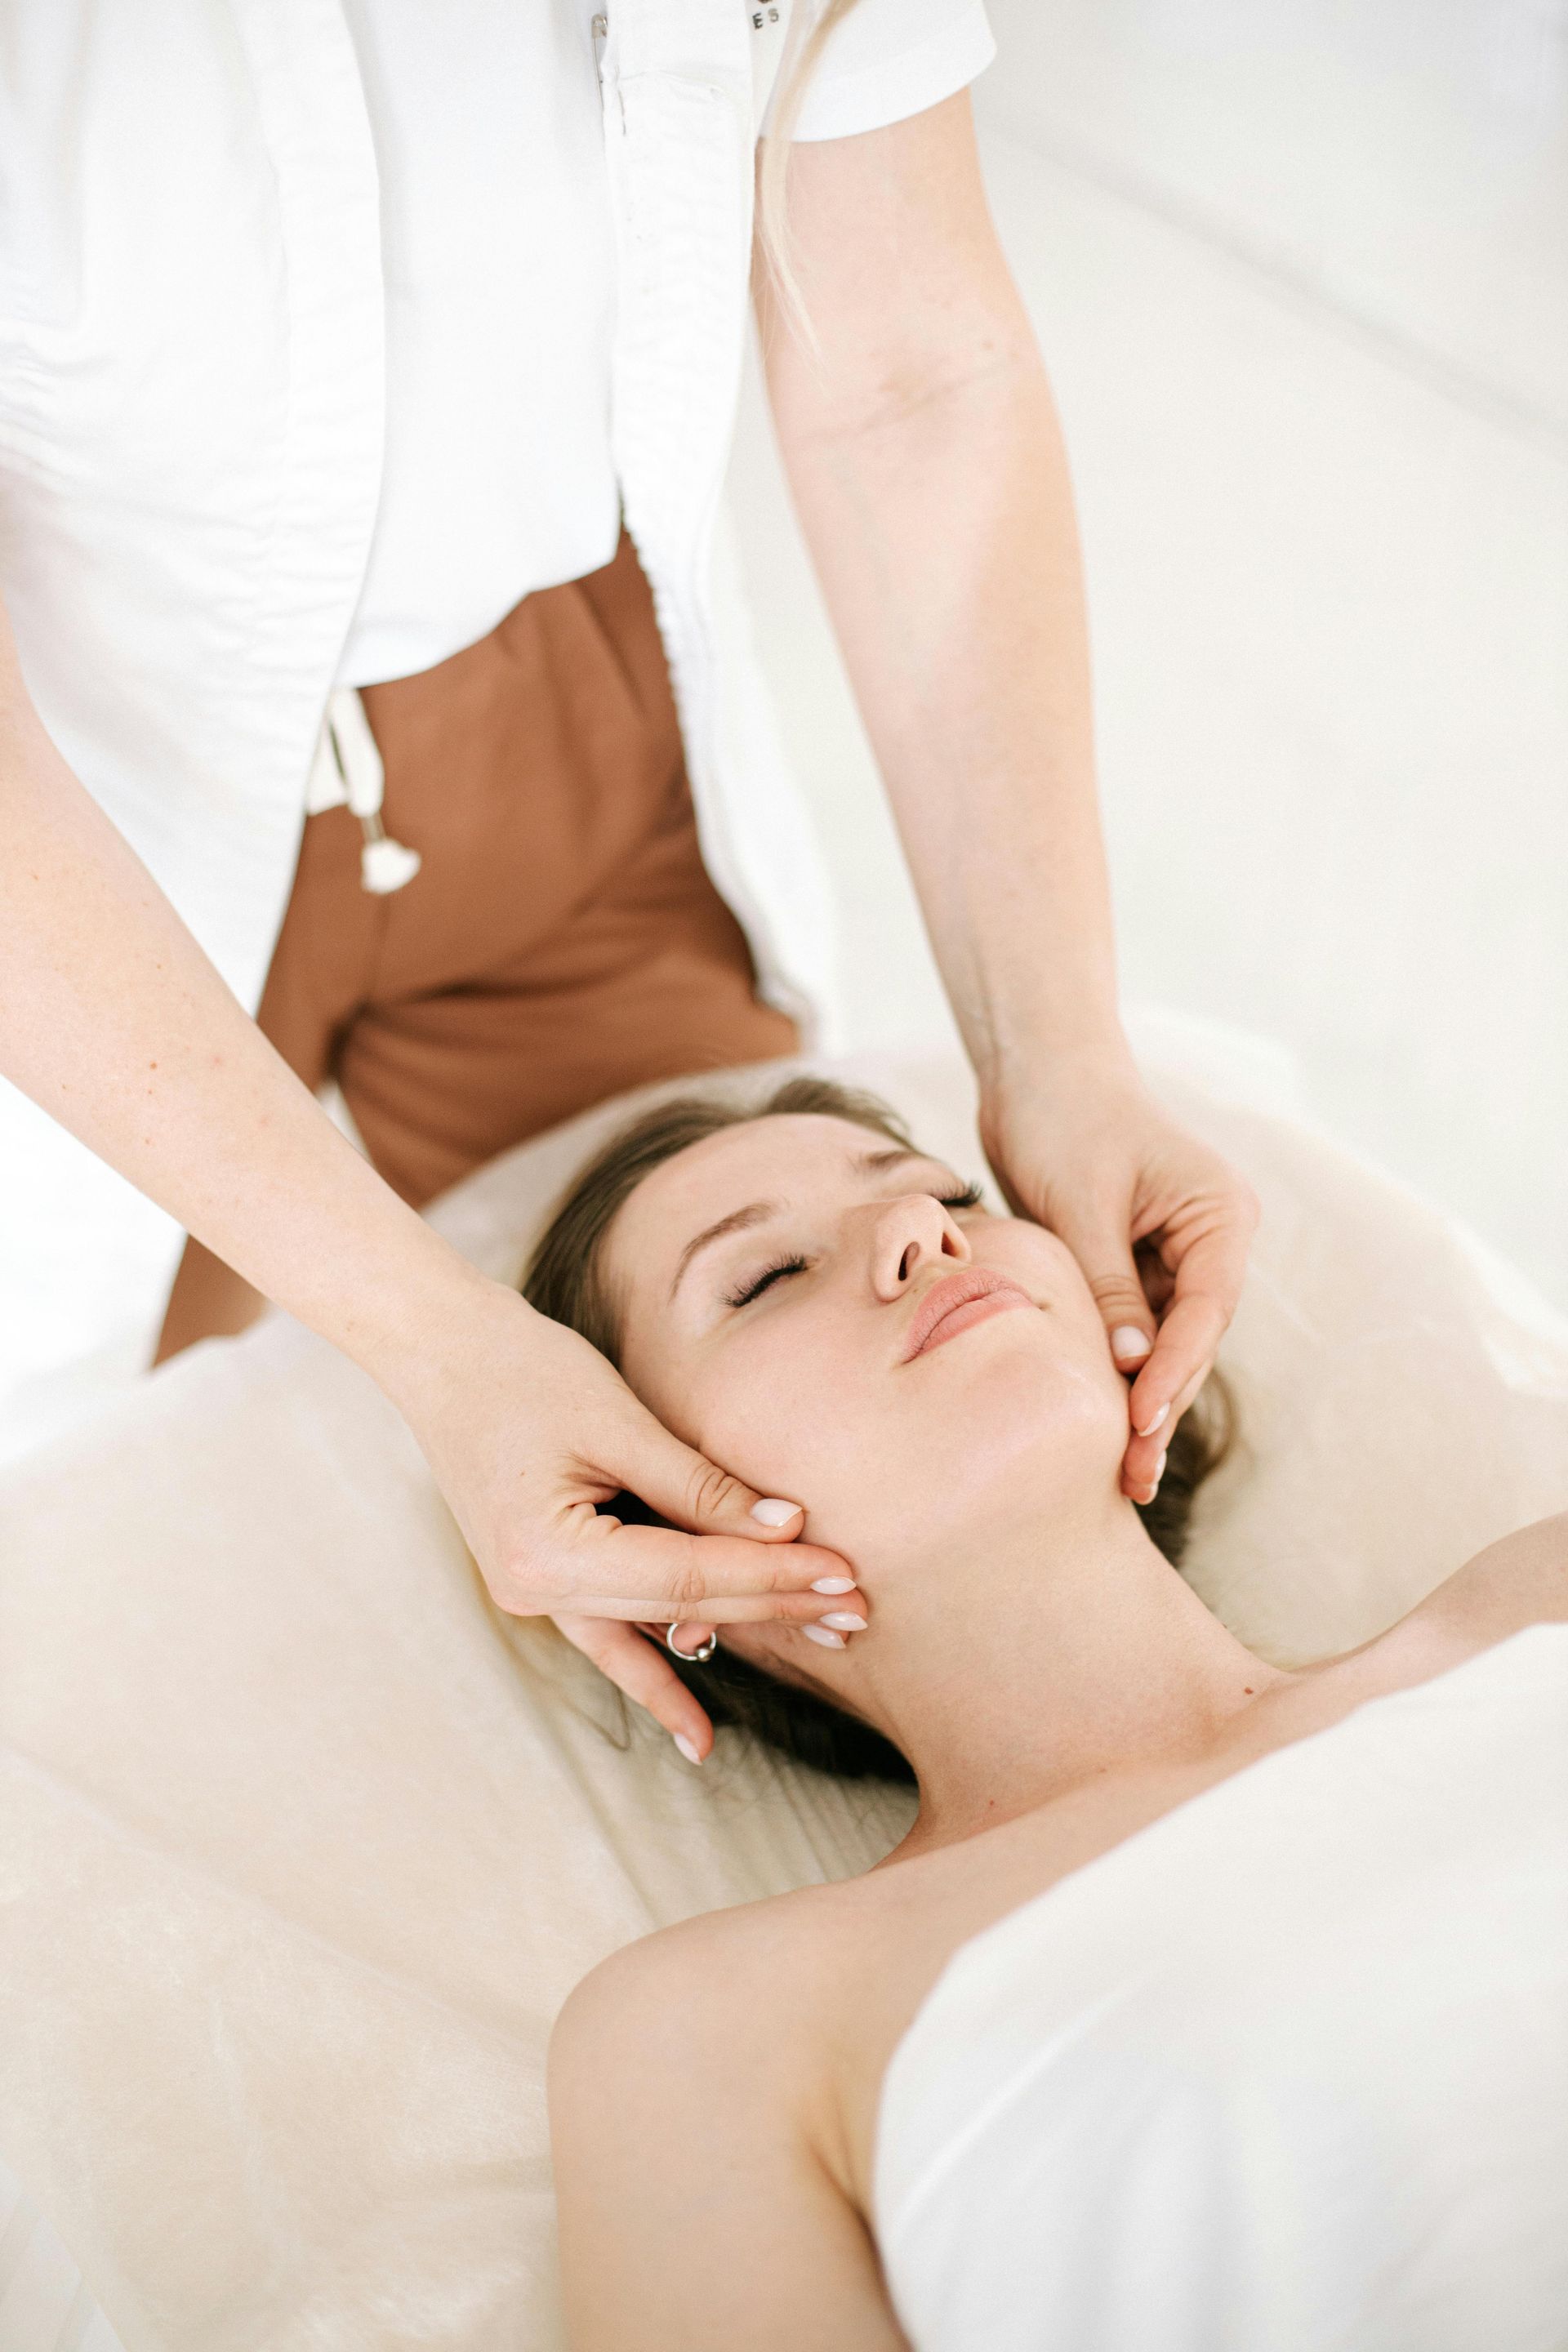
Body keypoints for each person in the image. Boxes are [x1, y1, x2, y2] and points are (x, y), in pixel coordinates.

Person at [0, 1, 1256, 1740]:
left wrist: (1061, 1049)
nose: (915, 1212)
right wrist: (433, 1351)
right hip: (78, 829)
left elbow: (911, 369)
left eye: (957, 1198)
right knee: (78, 1497)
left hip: (572, 743)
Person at [533, 1078, 1568, 2348]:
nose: (927, 1232)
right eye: (763, 1279)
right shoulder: (715, 2032)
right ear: (660, 1563)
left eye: (946, 1191)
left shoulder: (1543, 1602)